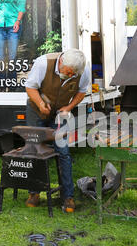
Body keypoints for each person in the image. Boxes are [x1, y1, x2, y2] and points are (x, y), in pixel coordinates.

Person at [25, 49, 91, 213]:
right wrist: (41, 104)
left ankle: (67, 196)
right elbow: (30, 87)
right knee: (35, 150)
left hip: (60, 113)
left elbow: (81, 91)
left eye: (72, 75)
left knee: (63, 152)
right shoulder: (43, 63)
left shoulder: (83, 71)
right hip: (36, 110)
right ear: (61, 62)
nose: (70, 76)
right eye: (68, 72)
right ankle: (34, 193)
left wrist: (68, 108)